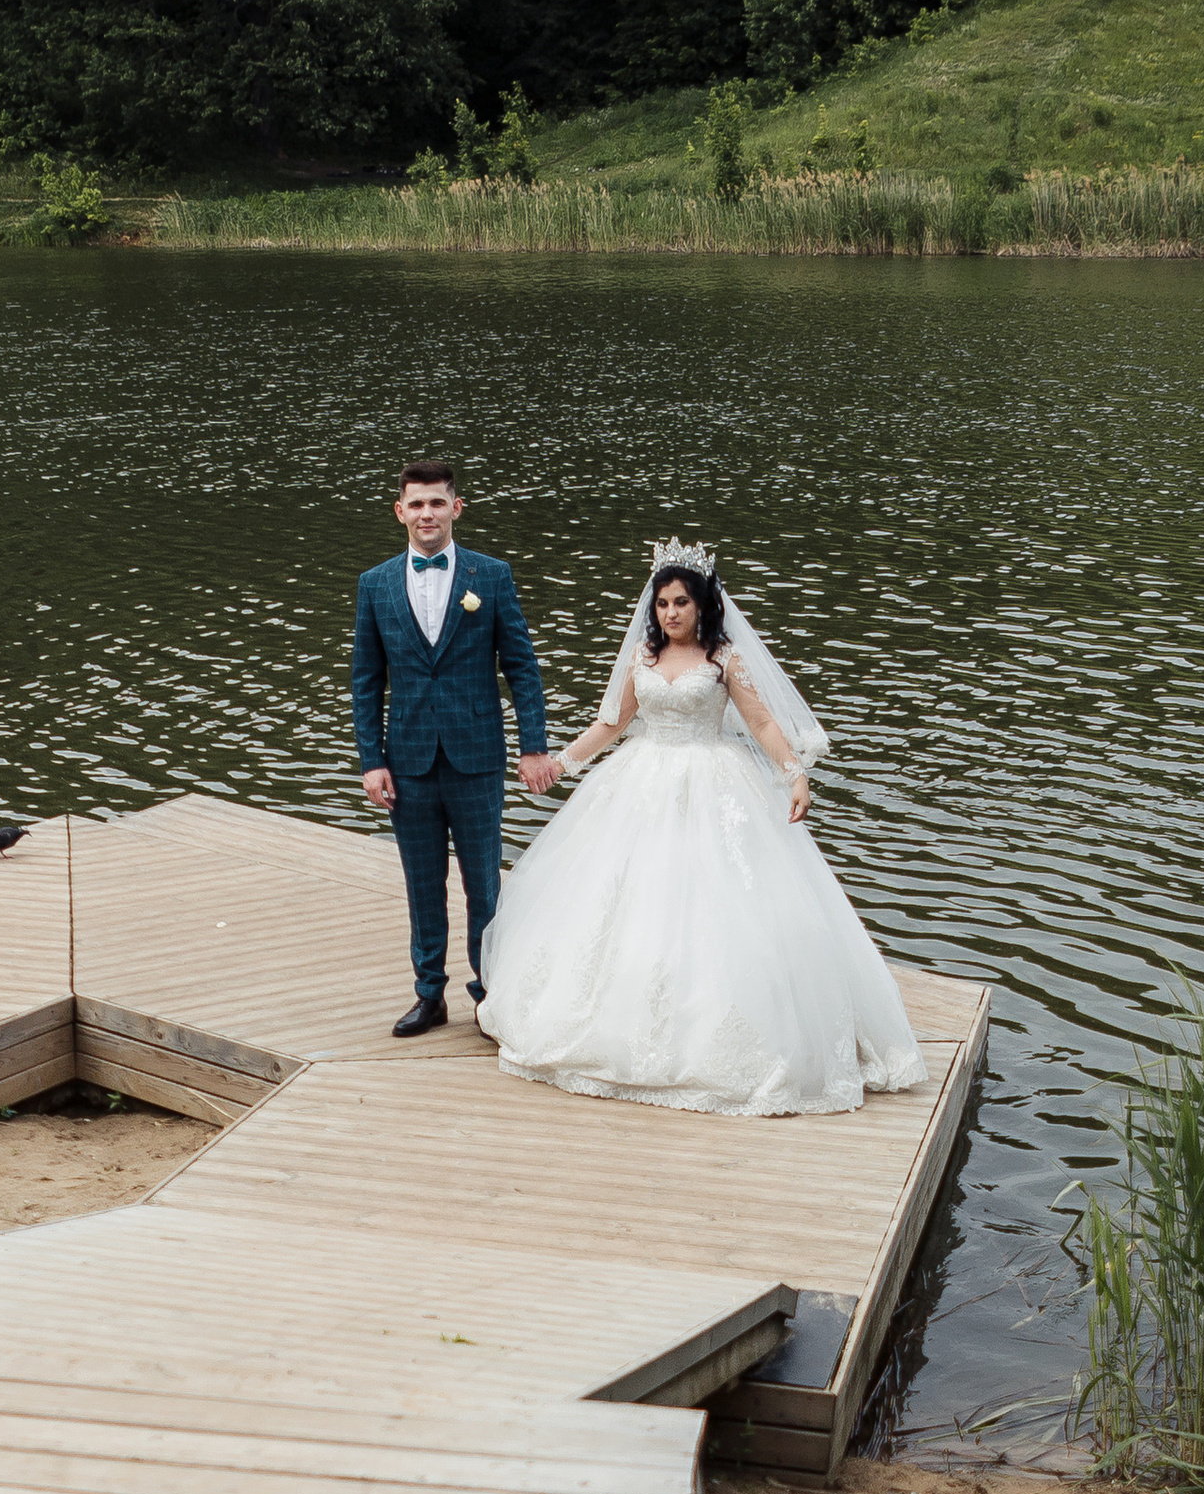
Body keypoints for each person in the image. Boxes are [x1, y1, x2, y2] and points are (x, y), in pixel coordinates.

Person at [475, 545, 926, 1115]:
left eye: (681, 602)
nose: (669, 613)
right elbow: (611, 723)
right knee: (621, 900)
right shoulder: (642, 655)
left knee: (719, 902)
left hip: (715, 784)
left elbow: (760, 720)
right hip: (641, 782)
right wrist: (561, 763)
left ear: (702, 604)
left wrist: (795, 776)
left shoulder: (722, 658)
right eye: (662, 603)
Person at [351, 458, 557, 1037]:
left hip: (477, 757)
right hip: (408, 760)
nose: (426, 514)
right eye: (416, 504)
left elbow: (522, 667)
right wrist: (372, 760)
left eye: (437, 502)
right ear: (400, 511)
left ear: (455, 508)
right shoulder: (375, 584)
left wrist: (534, 746)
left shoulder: (490, 577)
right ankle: (428, 994)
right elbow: (366, 680)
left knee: (483, 884)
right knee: (422, 883)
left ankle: (488, 995)